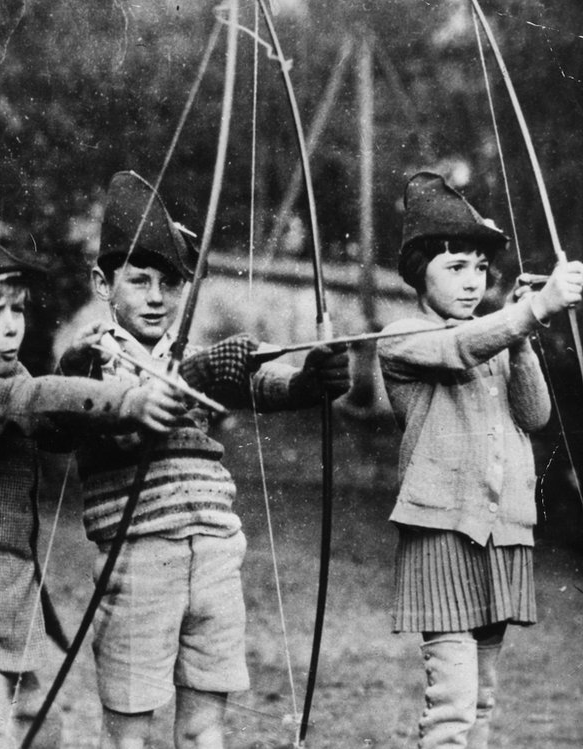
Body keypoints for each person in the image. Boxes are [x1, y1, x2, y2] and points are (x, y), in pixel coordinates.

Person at [58, 171, 350, 749]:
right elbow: (87, 408)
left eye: (171, 283)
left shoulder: (190, 351)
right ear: (101, 282)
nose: (156, 297)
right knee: (131, 732)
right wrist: (185, 376)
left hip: (214, 553)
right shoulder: (93, 357)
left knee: (204, 727)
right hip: (139, 558)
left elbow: (260, 384)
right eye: (138, 281)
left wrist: (311, 382)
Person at [0, 204, 186, 748]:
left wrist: (79, 372)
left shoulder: (7, 370)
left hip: (7, 623)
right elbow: (22, 402)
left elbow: (53, 428)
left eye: (17, 310)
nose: (13, 327)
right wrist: (127, 400)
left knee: (43, 740)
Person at [377, 172, 583, 748]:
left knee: (483, 696)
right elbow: (456, 348)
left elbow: (535, 414)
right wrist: (532, 311)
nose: (472, 282)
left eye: (479, 269)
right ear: (420, 272)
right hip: (442, 531)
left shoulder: (494, 335)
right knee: (453, 703)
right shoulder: (403, 337)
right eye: (454, 268)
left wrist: (521, 337)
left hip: (502, 532)